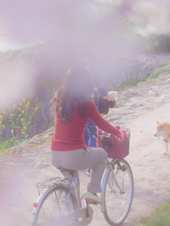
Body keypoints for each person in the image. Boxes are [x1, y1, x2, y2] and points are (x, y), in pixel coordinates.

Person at [50, 67, 125, 205]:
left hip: (54, 154)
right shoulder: (86, 104)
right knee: (102, 155)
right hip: (73, 155)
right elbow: (101, 123)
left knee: (73, 180)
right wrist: (117, 132)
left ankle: (74, 210)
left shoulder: (58, 100)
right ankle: (92, 191)